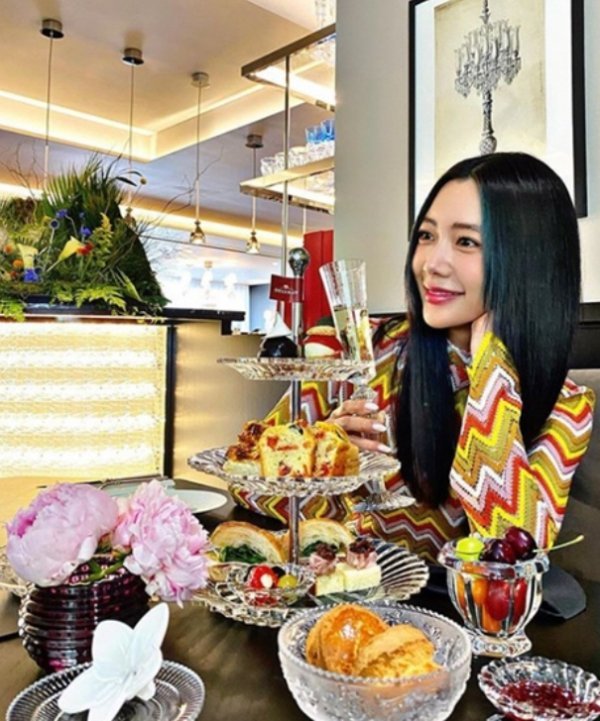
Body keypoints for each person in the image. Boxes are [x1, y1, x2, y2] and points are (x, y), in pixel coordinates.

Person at [231, 152, 595, 562]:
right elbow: (242, 480)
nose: (431, 264)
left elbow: (513, 552)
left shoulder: (566, 406)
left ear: (529, 262)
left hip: (453, 604)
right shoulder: (362, 349)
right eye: (426, 235)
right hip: (347, 591)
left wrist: (491, 373)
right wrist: (323, 463)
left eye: (466, 242)